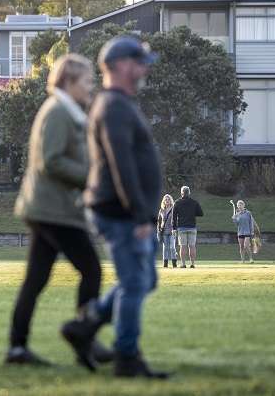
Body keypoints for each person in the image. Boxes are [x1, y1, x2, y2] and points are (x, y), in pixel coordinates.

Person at [6, 53, 110, 370]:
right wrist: (90, 177)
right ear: (69, 81)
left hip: (46, 209)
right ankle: (85, 338)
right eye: (88, 82)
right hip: (53, 211)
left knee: (35, 280)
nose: (92, 88)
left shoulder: (65, 111)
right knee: (91, 270)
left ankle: (17, 350)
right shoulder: (58, 113)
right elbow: (51, 160)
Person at [81, 36, 169, 378]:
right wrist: (139, 215)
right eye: (139, 61)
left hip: (126, 210)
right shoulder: (113, 106)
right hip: (120, 212)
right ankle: (127, 359)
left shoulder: (122, 103)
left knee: (144, 281)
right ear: (119, 66)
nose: (145, 67)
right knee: (134, 283)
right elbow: (122, 164)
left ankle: (85, 326)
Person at [172, 186, 203, 268]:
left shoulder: (177, 202)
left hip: (181, 227)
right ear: (189, 193)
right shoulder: (194, 202)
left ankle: (183, 264)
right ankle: (192, 264)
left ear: (181, 193)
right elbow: (201, 213)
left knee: (183, 246)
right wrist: (192, 213)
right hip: (192, 227)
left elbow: (174, 217)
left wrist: (174, 228)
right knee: (192, 246)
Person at [157, 194, 177, 268]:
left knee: (172, 247)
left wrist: (175, 228)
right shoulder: (161, 210)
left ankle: (174, 263)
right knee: (165, 248)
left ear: (171, 200)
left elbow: (176, 220)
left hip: (172, 231)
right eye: (165, 200)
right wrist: (159, 230)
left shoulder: (173, 209)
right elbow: (159, 221)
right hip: (164, 231)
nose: (167, 201)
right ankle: (165, 264)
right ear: (163, 201)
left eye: (168, 199)